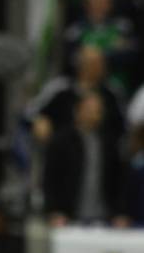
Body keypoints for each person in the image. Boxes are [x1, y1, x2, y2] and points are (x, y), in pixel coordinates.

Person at [43, 91, 123, 226]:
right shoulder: (62, 141)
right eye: (89, 110)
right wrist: (54, 210)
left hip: (104, 217)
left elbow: (117, 180)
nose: (94, 115)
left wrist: (119, 212)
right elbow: (50, 178)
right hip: (68, 217)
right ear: (78, 111)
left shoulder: (109, 143)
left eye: (98, 111)